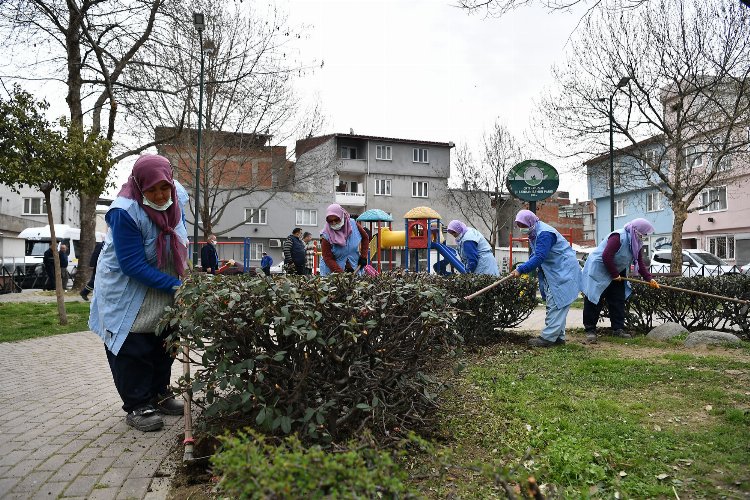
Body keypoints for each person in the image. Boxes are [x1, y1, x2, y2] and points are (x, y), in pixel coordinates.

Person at [88, 154, 188, 432]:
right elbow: (132, 265)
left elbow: (180, 235)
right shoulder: (124, 212)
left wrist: (183, 275)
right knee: (134, 348)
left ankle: (160, 393)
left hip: (165, 281)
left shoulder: (177, 197)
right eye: (151, 190)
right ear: (139, 186)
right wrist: (178, 285)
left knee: (164, 342)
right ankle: (138, 404)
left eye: (163, 188)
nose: (158, 195)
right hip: (127, 289)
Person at [580, 218, 660, 343]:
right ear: (636, 230)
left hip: (617, 270)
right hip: (600, 268)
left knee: (618, 299)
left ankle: (618, 329)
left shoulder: (636, 242)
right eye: (643, 234)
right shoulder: (618, 237)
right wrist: (613, 274)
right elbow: (606, 256)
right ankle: (590, 330)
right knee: (595, 299)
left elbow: (639, 261)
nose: (643, 237)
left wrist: (649, 278)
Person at [509, 210, 581, 347]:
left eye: (523, 224)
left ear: (530, 222)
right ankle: (558, 338)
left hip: (563, 270)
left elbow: (539, 257)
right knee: (556, 302)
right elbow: (536, 255)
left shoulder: (544, 234)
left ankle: (548, 338)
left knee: (557, 302)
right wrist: (522, 268)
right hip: (556, 270)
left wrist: (521, 269)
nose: (521, 228)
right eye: (519, 225)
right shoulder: (535, 233)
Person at [319, 204, 369, 276]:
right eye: (330, 221)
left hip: (354, 266)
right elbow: (327, 258)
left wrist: (363, 256)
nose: (334, 223)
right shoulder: (326, 235)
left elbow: (365, 238)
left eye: (336, 220)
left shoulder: (353, 224)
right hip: (332, 271)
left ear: (342, 216)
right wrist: (341, 275)